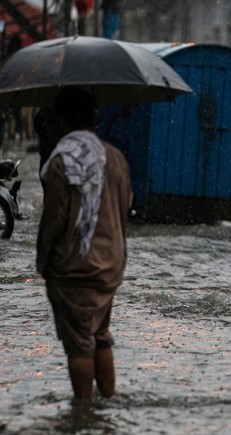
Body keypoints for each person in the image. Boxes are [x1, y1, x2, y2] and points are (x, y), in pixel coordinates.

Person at [37, 87, 133, 401]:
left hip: (76, 266)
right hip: (111, 263)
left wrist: (43, 261)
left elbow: (54, 220)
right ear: (94, 117)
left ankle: (83, 414)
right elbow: (125, 205)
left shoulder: (63, 161)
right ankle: (106, 403)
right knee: (100, 335)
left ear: (61, 119)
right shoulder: (115, 157)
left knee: (79, 342)